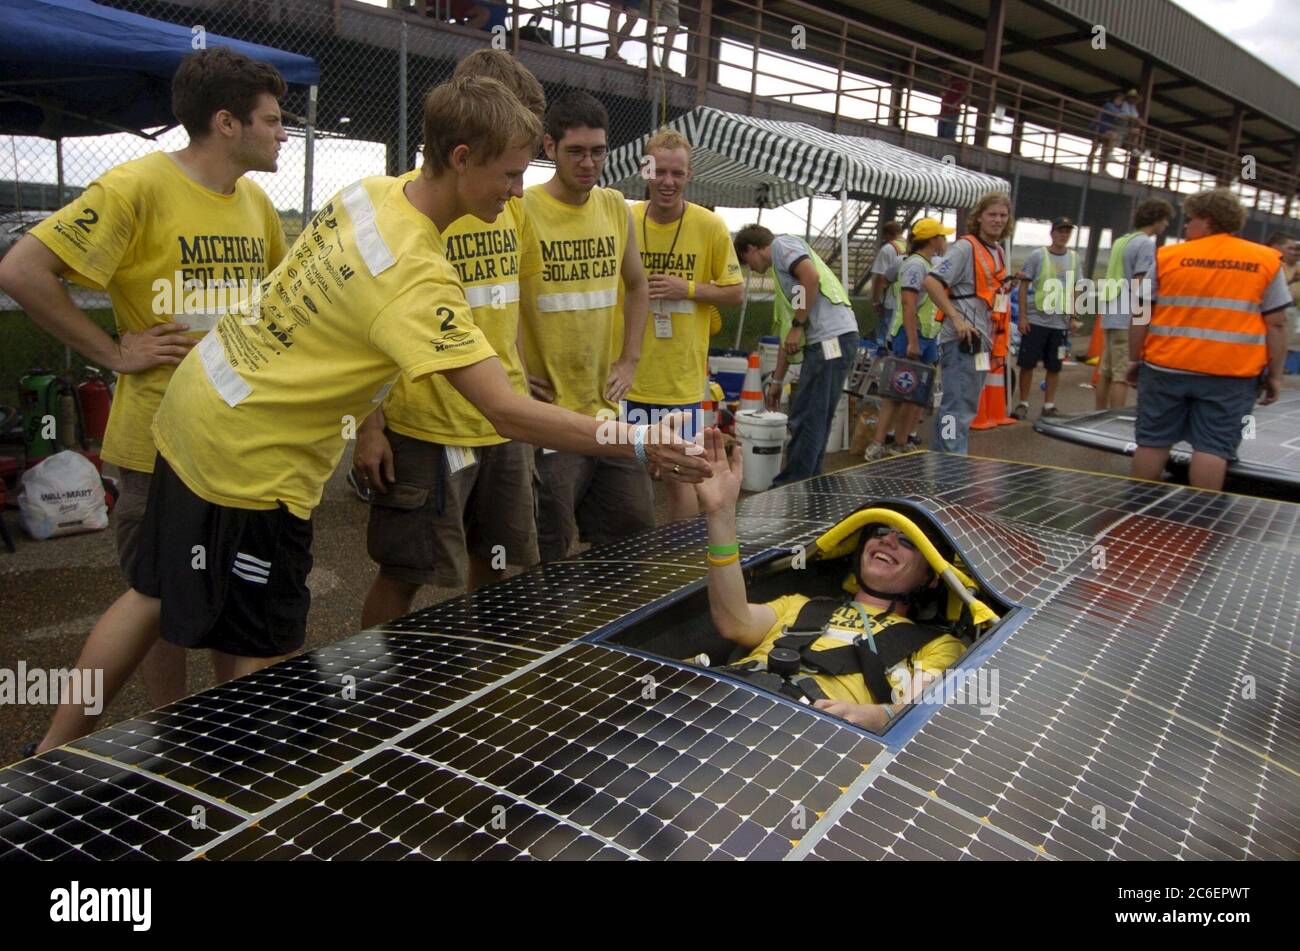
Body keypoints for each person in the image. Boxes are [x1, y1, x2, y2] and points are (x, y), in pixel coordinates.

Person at [26, 75, 709, 754]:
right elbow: (507, 409)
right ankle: (252, 799)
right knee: (269, 645)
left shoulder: (370, 193)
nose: (514, 190)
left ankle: (46, 753)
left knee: (152, 589)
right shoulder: (414, 275)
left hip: (195, 405)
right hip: (250, 458)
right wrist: (639, 440)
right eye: (507, 173)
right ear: (462, 157)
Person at [0, 48, 290, 710]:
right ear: (226, 122)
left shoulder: (256, 205)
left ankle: (226, 726)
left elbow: (277, 304)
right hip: (161, 444)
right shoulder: (135, 187)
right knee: (163, 602)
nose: (282, 133)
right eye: (272, 120)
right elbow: (21, 271)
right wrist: (112, 350)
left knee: (232, 590)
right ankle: (170, 732)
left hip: (238, 444)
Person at [354, 50, 546, 629]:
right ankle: (370, 690)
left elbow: (516, 301)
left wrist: (524, 376)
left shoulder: (510, 205)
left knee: (498, 561)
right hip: (424, 426)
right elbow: (361, 332)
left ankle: (480, 675)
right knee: (404, 571)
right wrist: (368, 425)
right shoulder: (405, 209)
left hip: (500, 422)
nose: (516, 184)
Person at [691, 428, 965, 730]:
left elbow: (916, 713)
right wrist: (721, 514)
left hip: (814, 736)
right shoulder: (799, 604)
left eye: (909, 541)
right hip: (730, 701)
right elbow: (732, 621)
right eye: (881, 532)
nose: (888, 541)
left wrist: (878, 716)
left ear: (932, 578)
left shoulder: (937, 644)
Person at [521, 90, 655, 561]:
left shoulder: (616, 206)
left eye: (598, 151)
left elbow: (638, 286)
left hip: (608, 413)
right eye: (575, 151)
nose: (588, 163)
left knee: (633, 531)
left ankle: (604, 631)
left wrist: (630, 358)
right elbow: (496, 299)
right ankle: (546, 633)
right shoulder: (521, 209)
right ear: (548, 147)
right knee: (548, 545)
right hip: (551, 416)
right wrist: (515, 368)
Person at [1129, 188, 1290, 491]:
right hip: (1231, 376)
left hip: (1165, 368)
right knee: (1213, 449)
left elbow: (1140, 313)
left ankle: (1134, 513)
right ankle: (1200, 523)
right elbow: (1278, 324)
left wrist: (1135, 358)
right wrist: (1275, 375)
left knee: (1152, 442)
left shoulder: (1169, 256)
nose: (1186, 226)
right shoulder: (1265, 261)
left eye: (1189, 220)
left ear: (1207, 220)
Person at [627, 127, 743, 521]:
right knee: (629, 477)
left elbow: (735, 293)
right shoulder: (624, 219)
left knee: (681, 477)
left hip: (680, 380)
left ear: (690, 175)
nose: (667, 182)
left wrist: (687, 287)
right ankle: (636, 564)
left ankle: (681, 563)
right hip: (627, 378)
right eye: (659, 171)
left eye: (677, 173)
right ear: (645, 170)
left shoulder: (709, 225)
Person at [733, 224, 859, 486]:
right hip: (835, 339)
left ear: (752, 249)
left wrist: (799, 325)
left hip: (829, 339)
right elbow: (787, 339)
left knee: (808, 414)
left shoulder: (782, 245)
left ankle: (792, 484)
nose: (751, 269)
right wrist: (777, 382)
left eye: (747, 262)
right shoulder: (784, 282)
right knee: (817, 415)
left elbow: (809, 278)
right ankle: (808, 481)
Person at [924, 192, 1014, 454]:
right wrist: (956, 318)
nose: (997, 220)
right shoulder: (966, 247)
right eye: (992, 214)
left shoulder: (997, 251)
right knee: (957, 408)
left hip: (981, 343)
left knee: (963, 407)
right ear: (980, 217)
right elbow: (932, 281)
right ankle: (951, 466)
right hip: (962, 340)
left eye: (1002, 215)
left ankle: (945, 462)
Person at [865, 217, 953, 460]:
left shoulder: (926, 263)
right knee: (897, 389)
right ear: (933, 240)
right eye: (942, 237)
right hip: (910, 334)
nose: (945, 241)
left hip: (928, 334)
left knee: (918, 391)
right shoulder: (916, 265)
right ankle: (878, 443)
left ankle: (901, 441)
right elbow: (908, 303)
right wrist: (913, 340)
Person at [1095, 198, 1173, 409]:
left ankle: (1096, 414)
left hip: (1111, 311)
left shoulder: (1121, 241)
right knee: (1121, 375)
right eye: (1164, 220)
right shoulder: (1146, 244)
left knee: (1106, 372)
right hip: (1127, 316)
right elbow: (1141, 285)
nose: (1166, 225)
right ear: (1156, 219)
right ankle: (1112, 420)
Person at [1013, 217, 1083, 420]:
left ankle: (1049, 404)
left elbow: (1076, 288)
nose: (1064, 235)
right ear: (1052, 233)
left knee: (1055, 365)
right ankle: (1023, 403)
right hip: (1036, 320)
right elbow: (1024, 286)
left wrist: (1073, 316)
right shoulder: (1038, 255)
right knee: (1027, 364)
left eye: (1067, 232)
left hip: (1060, 322)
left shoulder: (1074, 258)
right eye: (1060, 231)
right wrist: (1023, 317)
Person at [868, 221, 905, 355]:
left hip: (891, 298)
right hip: (906, 298)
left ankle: (884, 362)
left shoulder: (888, 249)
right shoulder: (908, 247)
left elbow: (879, 277)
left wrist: (876, 300)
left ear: (889, 234)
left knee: (885, 335)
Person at [1088, 89, 1138, 175]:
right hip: (1099, 128)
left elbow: (1123, 116)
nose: (1120, 102)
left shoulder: (1117, 108)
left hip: (1106, 129)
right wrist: (1128, 117)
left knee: (1104, 147)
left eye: (1121, 100)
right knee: (1099, 145)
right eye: (1118, 100)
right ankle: (1090, 166)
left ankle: (1102, 169)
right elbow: (1118, 115)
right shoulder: (1109, 105)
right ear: (1114, 99)